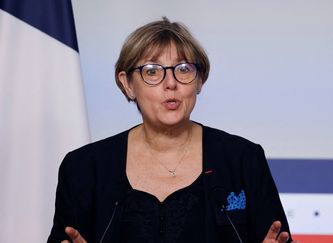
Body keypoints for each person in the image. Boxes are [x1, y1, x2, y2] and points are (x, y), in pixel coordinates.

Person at [48, 17, 294, 243]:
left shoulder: (242, 159)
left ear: (200, 80)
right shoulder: (83, 167)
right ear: (127, 83)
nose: (171, 83)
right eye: (152, 71)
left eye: (184, 69)